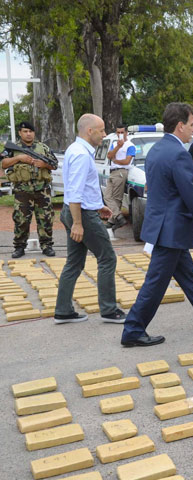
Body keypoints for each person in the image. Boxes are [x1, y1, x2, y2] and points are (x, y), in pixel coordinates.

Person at [121, 103, 193, 347]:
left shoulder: (156, 150)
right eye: (192, 124)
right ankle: (133, 329)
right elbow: (192, 193)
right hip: (171, 228)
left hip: (163, 225)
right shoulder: (179, 153)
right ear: (180, 125)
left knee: (186, 274)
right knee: (155, 282)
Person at [54, 114, 126, 324]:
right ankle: (109, 310)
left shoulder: (75, 150)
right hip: (80, 214)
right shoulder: (82, 155)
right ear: (89, 131)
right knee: (107, 257)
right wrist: (78, 223)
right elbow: (75, 191)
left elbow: (80, 188)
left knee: (74, 262)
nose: (104, 135)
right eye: (102, 130)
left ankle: (63, 311)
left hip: (76, 210)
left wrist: (98, 205)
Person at [1, 121, 57, 258]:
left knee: (46, 218)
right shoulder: (12, 148)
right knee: (21, 220)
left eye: (30, 131)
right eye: (25, 131)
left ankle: (47, 245)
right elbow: (3, 163)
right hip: (22, 190)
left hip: (42, 189)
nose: (28, 134)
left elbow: (54, 165)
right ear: (20, 133)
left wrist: (44, 164)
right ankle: (19, 247)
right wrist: (19, 157)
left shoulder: (43, 147)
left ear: (34, 133)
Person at [104, 124, 135, 231]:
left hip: (121, 172)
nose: (120, 134)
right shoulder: (114, 144)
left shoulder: (130, 145)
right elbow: (109, 156)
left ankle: (112, 221)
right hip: (112, 171)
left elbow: (127, 161)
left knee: (117, 198)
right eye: (118, 132)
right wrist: (118, 146)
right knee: (107, 196)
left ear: (126, 133)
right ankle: (118, 217)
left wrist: (116, 161)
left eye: (122, 132)